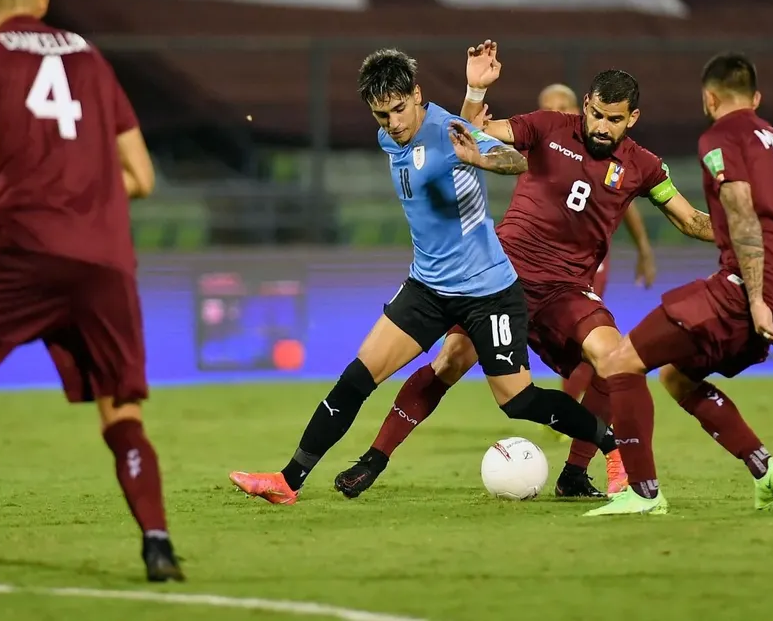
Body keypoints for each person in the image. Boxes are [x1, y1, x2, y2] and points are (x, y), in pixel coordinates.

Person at [229, 49, 626, 506]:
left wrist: (481, 158)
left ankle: (612, 448)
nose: (394, 122)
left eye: (401, 109)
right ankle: (288, 481)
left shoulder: (447, 132)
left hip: (488, 292)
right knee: (357, 377)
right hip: (428, 287)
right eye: (382, 114)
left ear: (418, 95)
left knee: (519, 402)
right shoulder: (389, 137)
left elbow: (515, 161)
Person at [333, 41, 716, 501]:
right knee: (451, 361)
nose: (601, 125)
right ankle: (374, 458)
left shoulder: (645, 166)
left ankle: (576, 473)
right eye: (596, 114)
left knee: (616, 360)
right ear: (586, 105)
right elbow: (470, 132)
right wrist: (476, 90)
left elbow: (691, 220)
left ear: (632, 118)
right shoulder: (548, 126)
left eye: (614, 119)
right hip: (501, 277)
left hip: (566, 291)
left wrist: (752, 232)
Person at [0, 0, 181, 580]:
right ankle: (158, 542)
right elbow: (141, 175)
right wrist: (82, 179)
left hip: (27, 249)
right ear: (43, 0)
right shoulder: (86, 53)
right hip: (105, 260)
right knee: (123, 415)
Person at [584, 52, 773, 517]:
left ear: (709, 97)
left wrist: (754, 299)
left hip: (746, 291)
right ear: (755, 98)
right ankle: (764, 468)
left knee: (620, 362)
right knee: (676, 376)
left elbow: (743, 214)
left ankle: (643, 493)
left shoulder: (721, 137)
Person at [537, 82, 656, 495]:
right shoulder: (545, 143)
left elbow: (631, 204)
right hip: (526, 270)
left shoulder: (624, 162)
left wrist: (643, 249)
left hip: (579, 272)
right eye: (548, 107)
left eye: (562, 105)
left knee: (600, 353)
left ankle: (579, 457)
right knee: (455, 356)